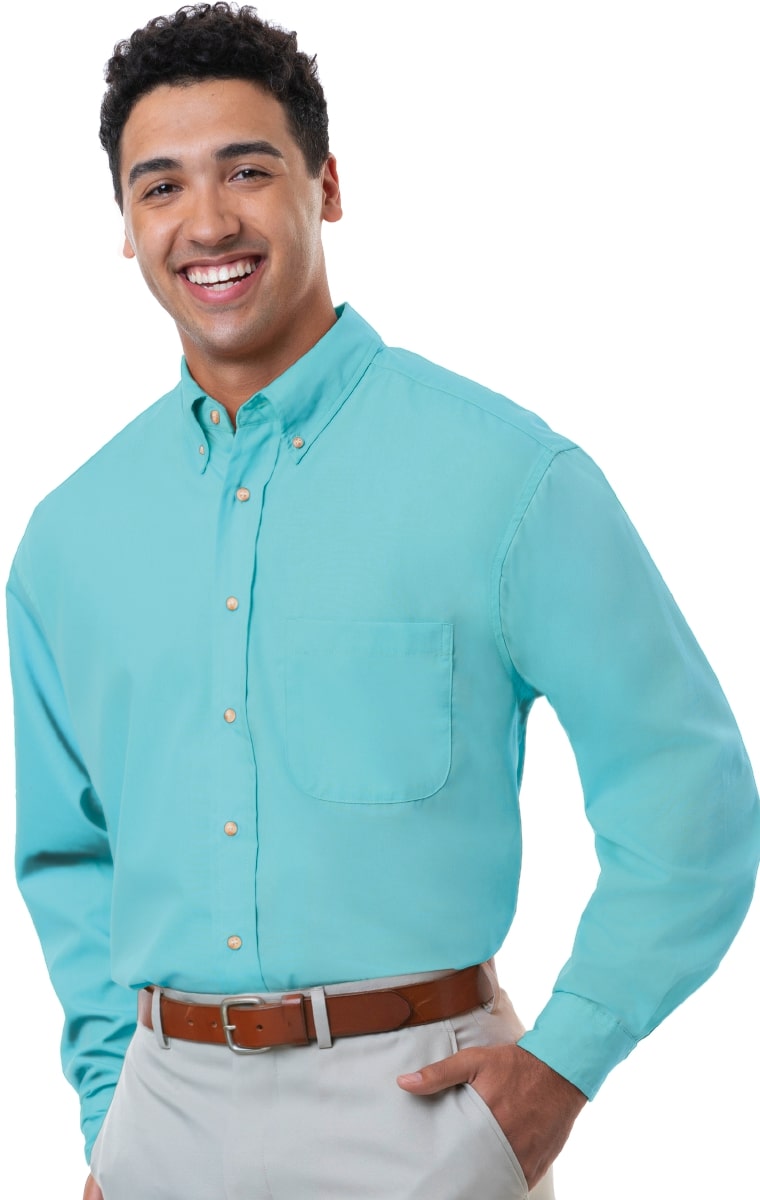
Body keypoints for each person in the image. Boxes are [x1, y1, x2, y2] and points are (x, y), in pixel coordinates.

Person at [6, 4, 758, 1198]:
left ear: (326, 185)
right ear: (127, 223)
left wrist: (561, 1066)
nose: (207, 222)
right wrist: (110, 1114)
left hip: (422, 1115)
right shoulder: (70, 538)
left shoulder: (508, 478)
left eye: (247, 171)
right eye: (161, 187)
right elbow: (67, 854)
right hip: (160, 1122)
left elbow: (688, 793)